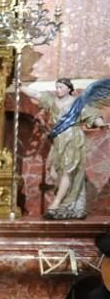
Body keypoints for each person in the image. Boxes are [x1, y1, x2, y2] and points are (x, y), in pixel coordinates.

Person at [24, 78, 108, 219]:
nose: (58, 90)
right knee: (54, 172)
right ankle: (71, 203)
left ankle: (56, 204)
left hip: (73, 139)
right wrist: (20, 86)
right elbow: (36, 94)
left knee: (68, 171)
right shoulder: (52, 101)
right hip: (58, 140)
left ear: (69, 89)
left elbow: (91, 115)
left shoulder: (78, 103)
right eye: (57, 87)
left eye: (61, 87)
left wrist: (101, 123)